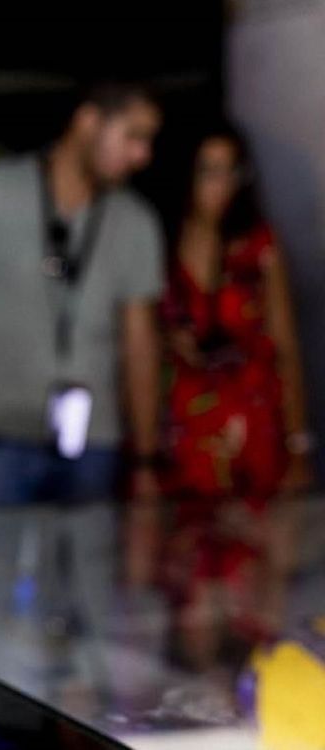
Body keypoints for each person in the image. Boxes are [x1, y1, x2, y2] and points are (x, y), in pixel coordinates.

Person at [0, 80, 165, 508]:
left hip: (93, 440)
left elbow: (141, 345)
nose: (142, 155)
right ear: (88, 121)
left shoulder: (136, 221)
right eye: (133, 136)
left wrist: (146, 460)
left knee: (88, 572)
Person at [152, 124, 312, 658]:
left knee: (256, 563)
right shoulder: (164, 239)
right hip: (188, 430)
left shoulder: (257, 244)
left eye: (230, 171)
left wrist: (299, 441)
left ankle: (255, 679)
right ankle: (195, 685)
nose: (220, 184)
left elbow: (285, 345)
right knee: (188, 567)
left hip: (253, 427)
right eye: (208, 171)